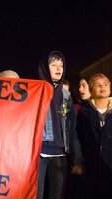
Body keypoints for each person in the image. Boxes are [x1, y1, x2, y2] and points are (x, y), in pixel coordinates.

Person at [76, 73, 112, 199]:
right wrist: (81, 163)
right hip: (93, 171)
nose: (102, 87)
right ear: (91, 89)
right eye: (98, 85)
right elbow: (79, 138)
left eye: (105, 84)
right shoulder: (84, 113)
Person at [37, 51, 83, 199]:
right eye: (54, 64)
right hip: (40, 154)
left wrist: (77, 159)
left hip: (60, 154)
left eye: (61, 65)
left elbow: (71, 129)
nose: (59, 68)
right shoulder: (37, 90)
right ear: (45, 67)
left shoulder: (66, 95)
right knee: (36, 195)